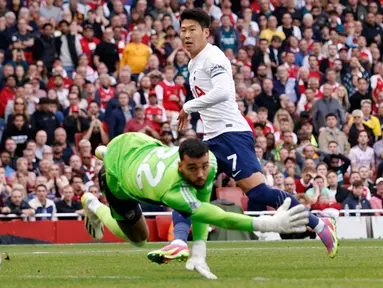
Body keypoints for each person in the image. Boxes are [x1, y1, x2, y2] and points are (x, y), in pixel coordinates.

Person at [166, 8, 338, 265]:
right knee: (187, 185)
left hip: (231, 135)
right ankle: (179, 242)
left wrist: (189, 106)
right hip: (213, 138)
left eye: (192, 30)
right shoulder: (193, 63)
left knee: (258, 193)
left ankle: (319, 223)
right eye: (183, 30)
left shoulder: (214, 57)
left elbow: (224, 92)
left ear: (206, 32)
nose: (187, 35)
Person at [82, 133, 308, 280]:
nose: (200, 174)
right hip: (117, 173)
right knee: (140, 238)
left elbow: (203, 201)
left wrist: (199, 251)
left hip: (138, 143)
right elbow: (217, 216)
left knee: (197, 189)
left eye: (203, 166)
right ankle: (93, 204)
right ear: (180, 165)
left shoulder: (208, 163)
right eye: (192, 168)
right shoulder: (171, 190)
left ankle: (104, 151)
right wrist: (267, 223)